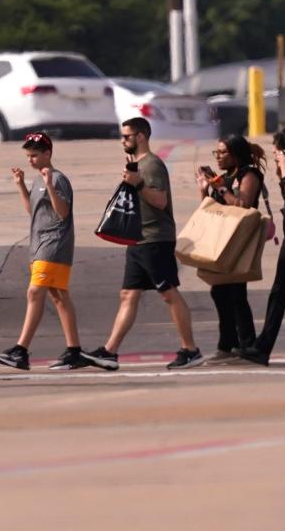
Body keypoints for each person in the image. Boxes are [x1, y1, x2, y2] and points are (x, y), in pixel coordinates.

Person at [82, 117, 205, 371]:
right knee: (128, 294)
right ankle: (110, 351)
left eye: (126, 136)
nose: (122, 141)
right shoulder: (137, 165)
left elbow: (160, 201)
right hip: (138, 239)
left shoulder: (153, 165)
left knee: (168, 293)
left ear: (140, 136)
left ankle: (190, 349)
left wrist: (137, 183)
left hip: (155, 239)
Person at [0, 132, 88, 371]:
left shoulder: (57, 179)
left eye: (35, 155)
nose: (31, 160)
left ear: (48, 153)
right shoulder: (39, 180)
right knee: (58, 296)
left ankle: (21, 350)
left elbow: (63, 212)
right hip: (39, 244)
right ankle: (74, 350)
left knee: (35, 292)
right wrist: (21, 186)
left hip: (53, 244)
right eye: (28, 156)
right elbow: (34, 211)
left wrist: (49, 185)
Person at [239, 118, 285, 366]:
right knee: (278, 294)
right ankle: (262, 348)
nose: (274, 155)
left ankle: (262, 347)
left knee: (279, 294)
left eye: (277, 151)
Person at [195, 135, 266, 363]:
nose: (219, 157)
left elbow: (243, 205)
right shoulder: (224, 178)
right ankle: (229, 344)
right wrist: (204, 191)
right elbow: (212, 209)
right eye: (216, 153)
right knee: (220, 291)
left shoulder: (249, 175)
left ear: (236, 154)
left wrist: (221, 188)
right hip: (222, 241)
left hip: (239, 241)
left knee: (236, 292)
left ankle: (245, 344)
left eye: (223, 152)